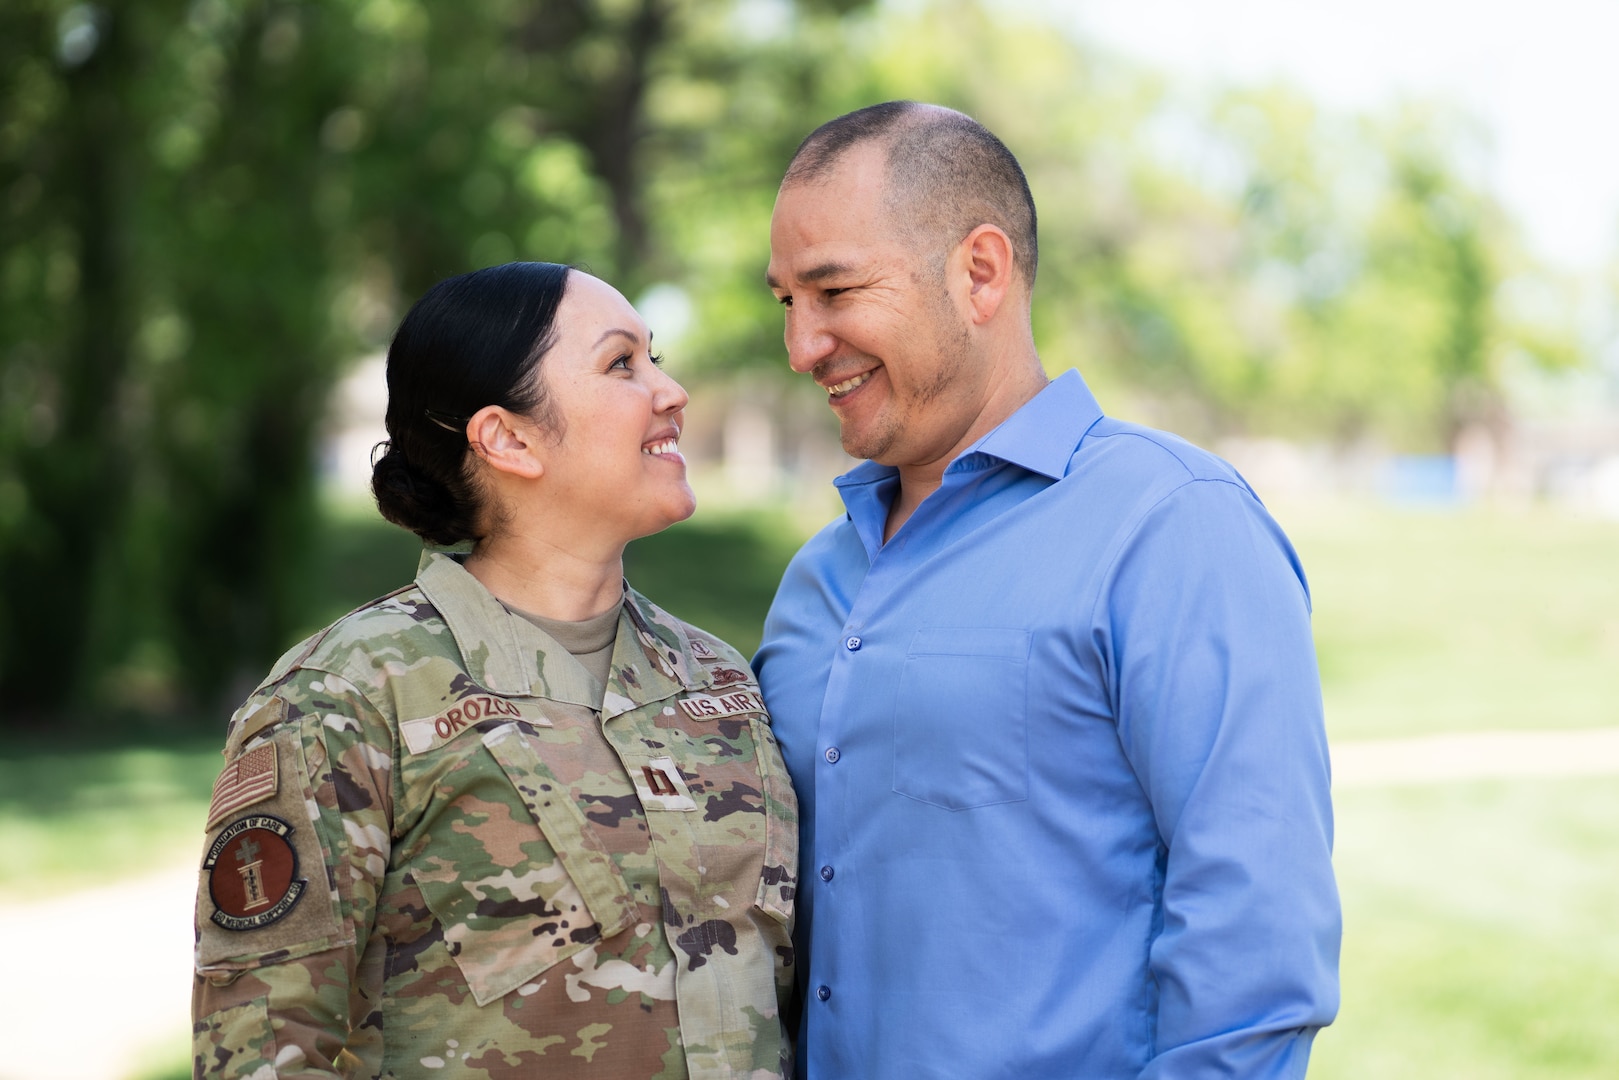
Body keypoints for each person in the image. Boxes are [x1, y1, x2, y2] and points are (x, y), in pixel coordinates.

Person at [754, 101, 1340, 1078]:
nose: (802, 346)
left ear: (978, 273)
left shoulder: (1171, 523)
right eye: (785, 302)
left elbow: (1254, 949)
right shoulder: (818, 577)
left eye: (834, 290)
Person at [191, 262, 798, 1079]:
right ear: (508, 438)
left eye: (654, 358)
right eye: (622, 364)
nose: (672, 391)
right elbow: (263, 1056)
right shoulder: (346, 696)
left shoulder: (718, 681)